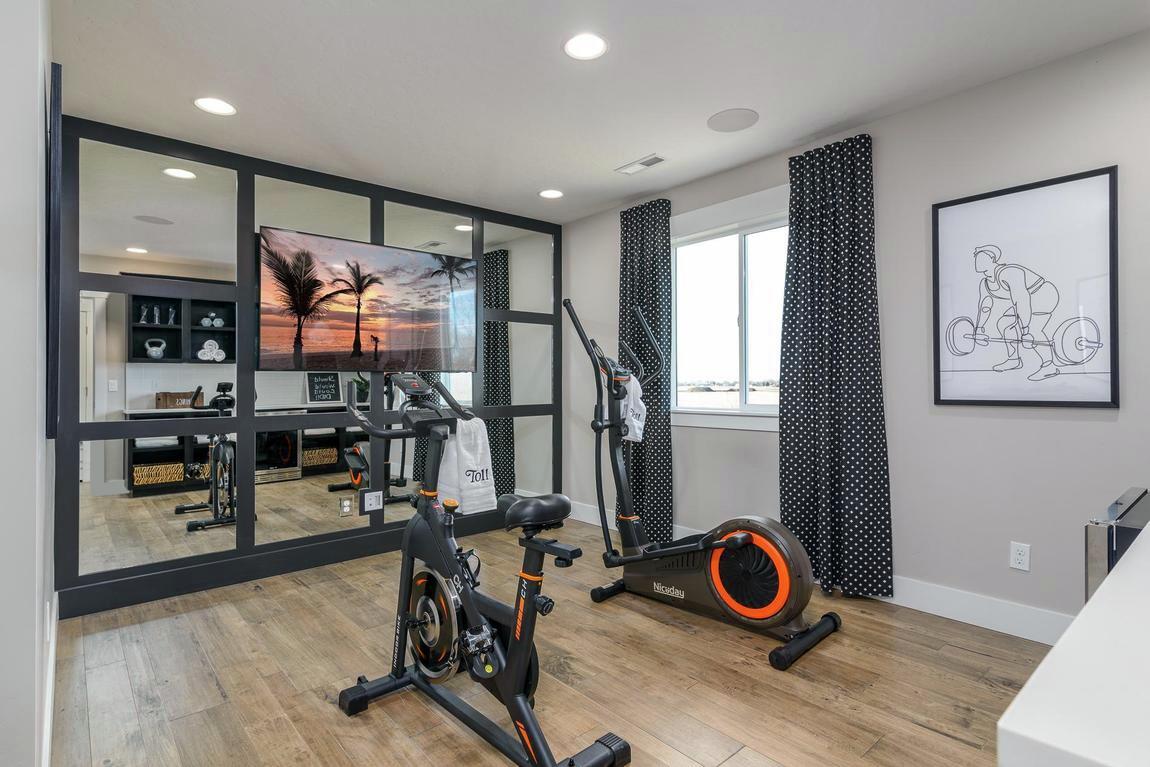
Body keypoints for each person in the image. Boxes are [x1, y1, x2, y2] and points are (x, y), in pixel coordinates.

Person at [972, 244, 1061, 381]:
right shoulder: (985, 284)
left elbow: (1022, 300)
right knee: (1004, 324)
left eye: (982, 256)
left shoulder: (1010, 272)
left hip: (1042, 294)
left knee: (1034, 329)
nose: (978, 259)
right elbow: (985, 307)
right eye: (976, 256)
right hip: (1023, 300)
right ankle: (1014, 360)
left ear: (992, 258)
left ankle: (1049, 366)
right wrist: (978, 330)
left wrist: (1025, 331)